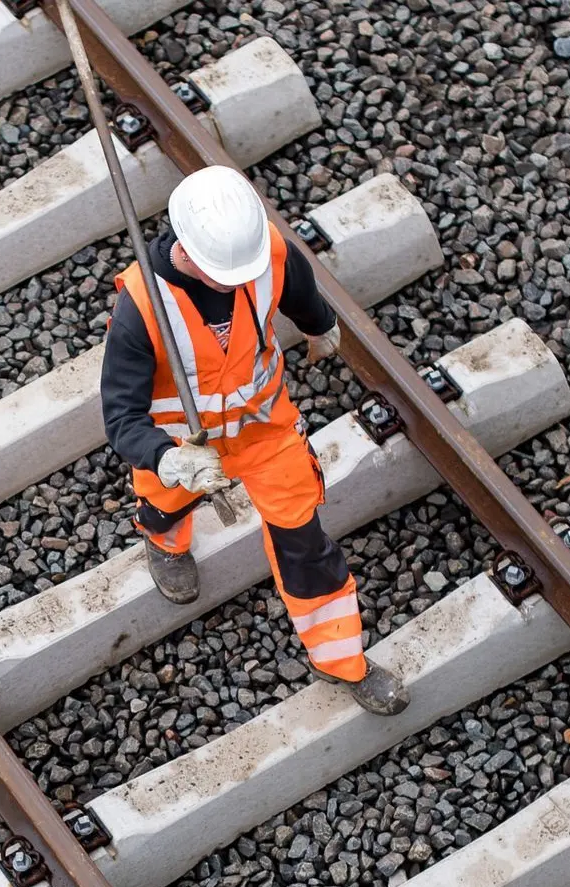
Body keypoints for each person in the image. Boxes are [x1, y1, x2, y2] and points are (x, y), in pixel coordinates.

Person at [99, 166, 408, 716]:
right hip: (184, 447)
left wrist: (319, 325)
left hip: (264, 431)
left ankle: (342, 661)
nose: (237, 281)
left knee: (305, 542)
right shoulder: (142, 308)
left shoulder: (264, 252)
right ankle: (164, 542)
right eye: (223, 274)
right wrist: (167, 458)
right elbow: (120, 418)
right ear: (186, 252)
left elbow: (296, 287)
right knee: (164, 502)